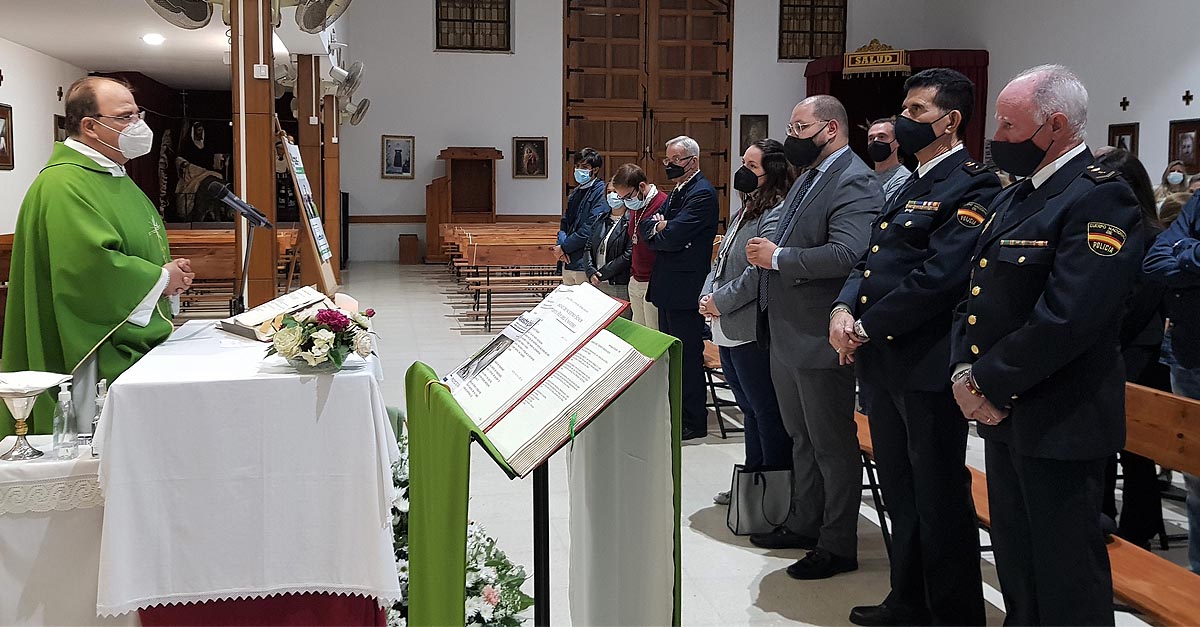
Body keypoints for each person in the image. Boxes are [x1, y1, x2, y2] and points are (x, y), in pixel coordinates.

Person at [950, 65, 1143, 626]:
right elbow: (976, 292)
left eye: (1009, 126)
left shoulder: (1100, 200)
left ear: (1055, 126)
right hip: (1005, 412)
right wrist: (965, 369)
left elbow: (1069, 318)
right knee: (1018, 562)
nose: (997, 139)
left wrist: (986, 382)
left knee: (1066, 576)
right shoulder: (1018, 198)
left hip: (1060, 417)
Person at [832, 68, 1001, 626]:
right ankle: (907, 599)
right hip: (883, 360)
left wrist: (865, 326)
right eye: (904, 109)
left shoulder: (972, 182)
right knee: (900, 487)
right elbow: (871, 256)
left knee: (938, 493)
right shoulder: (909, 179)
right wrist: (842, 308)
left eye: (919, 112)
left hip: (924, 362)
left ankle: (952, 612)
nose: (904, 121)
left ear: (951, 122)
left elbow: (940, 275)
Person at [1, 76, 193, 438]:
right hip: (93, 344)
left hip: (129, 326)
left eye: (138, 114)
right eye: (125, 117)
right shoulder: (64, 185)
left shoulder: (112, 174)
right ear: (90, 126)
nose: (138, 125)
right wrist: (161, 278)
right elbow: (88, 268)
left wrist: (168, 275)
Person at [744, 95, 882, 579]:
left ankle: (838, 542)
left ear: (829, 128)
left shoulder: (855, 180)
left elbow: (849, 253)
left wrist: (778, 258)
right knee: (801, 436)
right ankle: (805, 521)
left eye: (799, 126)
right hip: (787, 330)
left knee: (831, 443)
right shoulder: (809, 176)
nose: (791, 135)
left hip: (821, 331)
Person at [700, 138, 794, 503]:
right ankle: (752, 478)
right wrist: (706, 295)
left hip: (750, 327)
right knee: (747, 406)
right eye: (743, 163)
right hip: (726, 324)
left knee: (764, 409)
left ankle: (772, 488)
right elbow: (721, 260)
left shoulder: (776, 211)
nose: (743, 171)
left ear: (771, 172)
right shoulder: (745, 209)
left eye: (751, 166)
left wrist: (719, 301)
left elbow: (759, 273)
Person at [1095, 149, 1171, 550]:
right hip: (1111, 346)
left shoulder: (1153, 236)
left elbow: (1140, 303)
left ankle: (1137, 528)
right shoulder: (1108, 230)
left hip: (1138, 351)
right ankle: (1102, 516)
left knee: (1136, 452)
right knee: (1104, 446)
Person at [642, 136, 719, 440]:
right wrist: (660, 228)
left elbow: (673, 235)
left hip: (686, 287)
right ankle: (674, 411)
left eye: (675, 160)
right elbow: (649, 228)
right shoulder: (678, 191)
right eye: (667, 160)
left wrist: (664, 228)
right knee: (672, 355)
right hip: (668, 285)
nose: (669, 165)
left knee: (687, 356)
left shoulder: (702, 193)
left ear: (693, 161)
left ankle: (693, 420)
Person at [1143, 188, 1200, 574]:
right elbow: (1156, 260)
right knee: (1196, 484)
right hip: (1189, 355)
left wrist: (1184, 251)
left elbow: (1173, 251)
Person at [611, 163, 666, 329]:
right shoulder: (636, 205)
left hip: (654, 280)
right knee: (638, 331)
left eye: (628, 197)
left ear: (641, 186)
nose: (626, 202)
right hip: (636, 278)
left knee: (654, 333)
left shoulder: (662, 203)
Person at [555, 147, 606, 286]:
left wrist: (564, 247)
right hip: (567, 259)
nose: (578, 170)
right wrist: (560, 245)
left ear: (595, 170)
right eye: (577, 166)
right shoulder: (576, 192)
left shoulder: (601, 191)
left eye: (584, 167)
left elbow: (590, 228)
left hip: (584, 263)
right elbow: (565, 223)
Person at [583, 182, 632, 316]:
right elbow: (588, 246)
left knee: (620, 326)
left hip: (617, 282)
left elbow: (629, 254)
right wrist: (590, 271)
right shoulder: (601, 219)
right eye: (609, 192)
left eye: (615, 192)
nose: (612, 195)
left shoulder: (631, 220)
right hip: (597, 281)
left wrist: (603, 273)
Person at [865, 117, 912, 203]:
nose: (875, 141)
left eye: (882, 136)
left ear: (897, 141)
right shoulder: (864, 176)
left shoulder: (903, 179)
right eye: (871, 138)